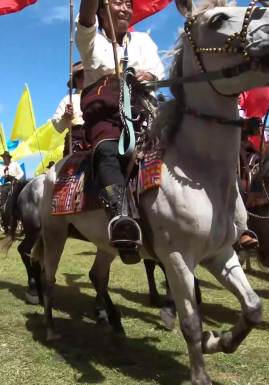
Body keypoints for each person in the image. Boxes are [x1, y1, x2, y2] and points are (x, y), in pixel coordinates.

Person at [77, 0, 164, 264]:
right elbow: (86, 17)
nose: (125, 8)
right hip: (108, 118)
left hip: (145, 112)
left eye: (129, 3)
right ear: (102, 11)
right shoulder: (91, 41)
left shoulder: (144, 42)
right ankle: (122, 219)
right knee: (107, 149)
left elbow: (158, 72)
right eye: (117, 2)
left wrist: (145, 76)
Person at [52, 61, 85, 155]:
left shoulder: (98, 95)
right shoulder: (69, 99)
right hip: (76, 140)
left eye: (86, 74)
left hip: (97, 138)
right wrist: (66, 116)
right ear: (75, 80)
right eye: (80, 75)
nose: (83, 78)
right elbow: (58, 126)